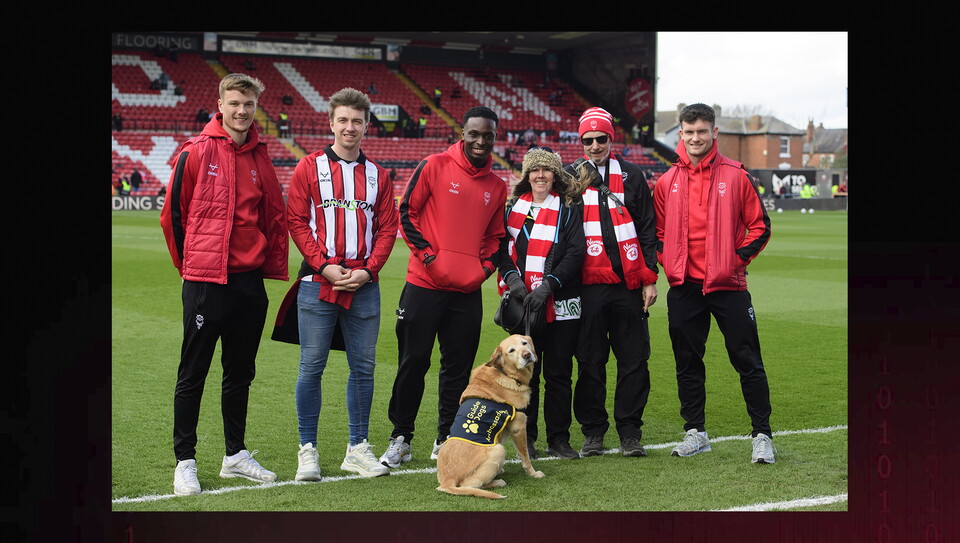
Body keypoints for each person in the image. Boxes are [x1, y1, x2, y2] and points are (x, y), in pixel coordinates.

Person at [159, 73, 289, 496]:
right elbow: (173, 218)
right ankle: (185, 461)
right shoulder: (196, 152)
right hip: (206, 281)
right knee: (193, 372)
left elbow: (272, 216)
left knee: (240, 373)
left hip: (249, 284)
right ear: (220, 103)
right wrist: (192, 269)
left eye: (248, 104)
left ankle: (235, 455)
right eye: (234, 103)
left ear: (256, 107)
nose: (241, 111)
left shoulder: (261, 155)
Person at [379, 106, 508, 468]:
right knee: (413, 362)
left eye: (488, 135)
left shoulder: (497, 187)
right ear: (462, 133)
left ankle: (446, 439)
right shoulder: (434, 165)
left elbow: (495, 238)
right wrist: (431, 259)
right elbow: (407, 212)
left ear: (494, 138)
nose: (481, 141)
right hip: (423, 284)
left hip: (466, 293)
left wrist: (480, 271)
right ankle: (401, 438)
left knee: (457, 369)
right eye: (474, 133)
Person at [282, 87, 400, 480]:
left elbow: (388, 228)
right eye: (343, 120)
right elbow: (296, 222)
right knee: (311, 367)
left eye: (357, 121)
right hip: (319, 283)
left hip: (364, 285)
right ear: (331, 123)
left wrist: (369, 271)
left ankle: (357, 448)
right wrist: (324, 266)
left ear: (367, 125)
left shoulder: (378, 175)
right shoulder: (308, 167)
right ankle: (307, 450)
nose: (350, 127)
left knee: (363, 368)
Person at [652, 103, 774, 464]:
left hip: (728, 285)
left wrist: (732, 261)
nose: (695, 138)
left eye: (702, 131)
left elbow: (760, 226)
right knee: (687, 361)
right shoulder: (666, 182)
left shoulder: (737, 176)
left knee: (747, 360)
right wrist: (668, 261)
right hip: (684, 287)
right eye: (689, 132)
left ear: (714, 133)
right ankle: (696, 432)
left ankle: (763, 435)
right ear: (680, 135)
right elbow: (658, 233)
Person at [564, 106, 659, 458]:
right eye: (587, 140)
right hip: (586, 284)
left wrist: (650, 277)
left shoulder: (633, 176)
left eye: (600, 138)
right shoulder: (569, 175)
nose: (594, 145)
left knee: (634, 359)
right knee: (589, 360)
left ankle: (630, 432)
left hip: (629, 282)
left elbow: (648, 228)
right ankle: (593, 432)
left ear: (611, 138)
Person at [495, 146, 585, 460]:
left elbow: (576, 253)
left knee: (559, 374)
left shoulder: (569, 208)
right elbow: (501, 250)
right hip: (524, 305)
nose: (541, 175)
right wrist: (516, 282)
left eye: (547, 170)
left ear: (555, 174)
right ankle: (527, 437)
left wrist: (548, 286)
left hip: (560, 301)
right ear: (527, 175)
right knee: (524, 374)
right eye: (535, 170)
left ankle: (559, 438)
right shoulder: (513, 208)